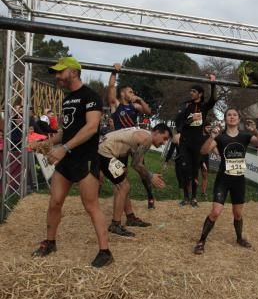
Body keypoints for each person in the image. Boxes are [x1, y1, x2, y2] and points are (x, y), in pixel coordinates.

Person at [30, 57, 113, 268]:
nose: (57, 76)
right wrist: (47, 143)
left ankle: (105, 251)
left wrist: (64, 148)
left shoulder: (91, 96)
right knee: (55, 202)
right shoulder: (67, 100)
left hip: (84, 159)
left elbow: (92, 127)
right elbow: (66, 131)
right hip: (66, 160)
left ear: (73, 72)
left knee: (91, 205)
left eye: (60, 72)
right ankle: (50, 242)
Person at [193, 110, 258, 254]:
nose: (232, 117)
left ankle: (239, 238)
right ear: (225, 119)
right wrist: (211, 137)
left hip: (238, 180)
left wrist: (256, 131)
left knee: (238, 214)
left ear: (239, 119)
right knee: (215, 212)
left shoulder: (245, 136)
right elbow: (203, 151)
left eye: (235, 115)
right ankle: (201, 241)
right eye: (229, 115)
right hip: (223, 179)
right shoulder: (220, 138)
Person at [98, 123, 172, 236]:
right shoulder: (147, 139)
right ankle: (115, 225)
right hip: (105, 152)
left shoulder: (144, 135)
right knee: (124, 186)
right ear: (156, 132)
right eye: (164, 138)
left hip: (107, 149)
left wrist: (148, 174)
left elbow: (136, 161)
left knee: (124, 183)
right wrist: (151, 176)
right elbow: (136, 164)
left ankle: (130, 217)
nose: (164, 142)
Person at [107, 63, 156, 208]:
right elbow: (110, 88)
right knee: (122, 173)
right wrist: (114, 72)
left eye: (133, 92)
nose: (132, 93)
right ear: (122, 93)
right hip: (120, 143)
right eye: (130, 91)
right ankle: (123, 199)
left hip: (134, 143)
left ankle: (150, 195)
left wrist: (140, 100)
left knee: (141, 169)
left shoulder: (134, 106)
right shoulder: (116, 104)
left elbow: (148, 112)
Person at [175, 75, 217, 207]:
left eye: (193, 91)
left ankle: (194, 198)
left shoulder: (204, 107)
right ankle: (186, 197)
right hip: (185, 142)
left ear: (200, 94)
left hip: (197, 143)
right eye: (191, 91)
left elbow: (213, 99)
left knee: (194, 170)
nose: (191, 93)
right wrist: (190, 120)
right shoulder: (187, 106)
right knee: (185, 168)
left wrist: (213, 84)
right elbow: (179, 125)